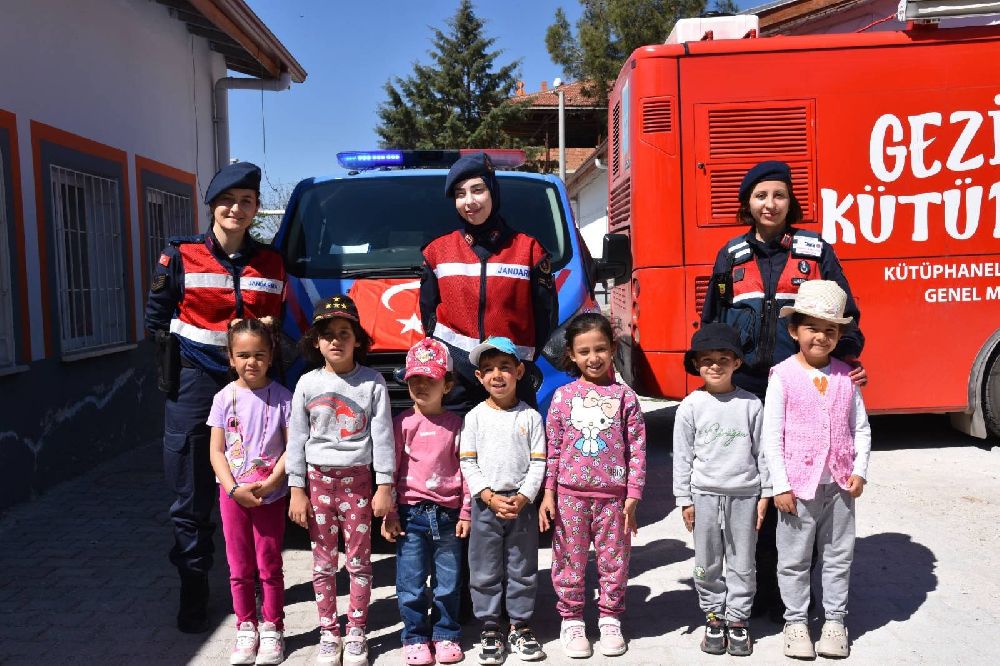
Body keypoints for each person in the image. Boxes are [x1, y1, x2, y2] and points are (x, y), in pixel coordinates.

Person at [700, 160, 867, 620]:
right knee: (749, 490)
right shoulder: (730, 256)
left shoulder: (816, 253)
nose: (769, 204)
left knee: (796, 492)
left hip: (800, 391)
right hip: (746, 389)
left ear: (790, 202)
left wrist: (845, 365)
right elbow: (713, 323)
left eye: (778, 195)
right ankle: (749, 587)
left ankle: (787, 596)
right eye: (760, 196)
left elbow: (846, 320)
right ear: (747, 204)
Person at [144, 161, 286, 633]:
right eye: (227, 201)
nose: (236, 209)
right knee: (191, 491)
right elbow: (156, 320)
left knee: (259, 479)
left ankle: (259, 583)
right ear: (211, 206)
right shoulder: (181, 255)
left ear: (255, 209)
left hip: (254, 386)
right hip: (195, 383)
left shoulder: (272, 262)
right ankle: (194, 588)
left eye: (246, 202)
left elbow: (277, 324)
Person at [761, 280, 871, 659]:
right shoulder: (782, 376)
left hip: (839, 487)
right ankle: (795, 622)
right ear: (794, 331)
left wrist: (860, 470)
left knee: (838, 556)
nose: (821, 337)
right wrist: (780, 485)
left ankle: (835, 621)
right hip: (797, 488)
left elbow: (860, 428)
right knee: (794, 559)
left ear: (839, 335)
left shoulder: (847, 376)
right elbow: (772, 436)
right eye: (812, 328)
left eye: (830, 330)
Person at [286, 294, 395, 666]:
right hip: (317, 483)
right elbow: (296, 439)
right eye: (327, 334)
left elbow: (383, 437)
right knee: (322, 563)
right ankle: (329, 632)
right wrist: (296, 489)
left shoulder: (372, 383)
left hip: (358, 483)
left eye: (344, 333)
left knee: (359, 562)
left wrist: (384, 486)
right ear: (315, 342)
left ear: (357, 339)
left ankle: (357, 631)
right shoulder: (306, 383)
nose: (336, 340)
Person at [539, 312, 646, 659]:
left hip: (614, 498)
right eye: (584, 351)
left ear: (612, 348)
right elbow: (553, 449)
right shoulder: (562, 397)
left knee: (614, 561)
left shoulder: (625, 398)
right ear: (571, 354)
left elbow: (637, 450)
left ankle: (610, 617)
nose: (593, 357)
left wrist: (633, 495)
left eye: (600, 349)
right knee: (569, 560)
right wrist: (549, 493)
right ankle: (571, 619)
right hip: (569, 496)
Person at [420, 152, 558, 414]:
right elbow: (429, 316)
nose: (469, 201)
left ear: (493, 191)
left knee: (517, 439)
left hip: (510, 376)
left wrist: (518, 362)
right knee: (456, 441)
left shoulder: (529, 250)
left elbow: (545, 316)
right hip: (457, 379)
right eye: (460, 194)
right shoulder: (437, 252)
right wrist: (451, 360)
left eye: (477, 190)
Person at [672, 323, 771, 657]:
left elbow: (763, 453)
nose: (715, 366)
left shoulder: (751, 404)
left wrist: (766, 494)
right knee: (707, 561)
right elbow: (682, 456)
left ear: (737, 362)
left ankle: (738, 618)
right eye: (706, 360)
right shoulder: (690, 406)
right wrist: (684, 499)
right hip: (703, 496)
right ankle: (713, 615)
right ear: (696, 364)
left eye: (723, 359)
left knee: (743, 561)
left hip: (745, 496)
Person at [381, 338, 471, 666]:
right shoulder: (402, 423)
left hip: (448, 515)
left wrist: (466, 512)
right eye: (414, 378)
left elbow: (467, 471)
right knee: (411, 583)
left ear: (447, 384)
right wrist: (390, 512)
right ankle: (416, 636)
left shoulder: (458, 426)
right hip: (410, 515)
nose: (421, 385)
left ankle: (446, 633)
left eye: (430, 379)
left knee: (448, 583)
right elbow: (390, 471)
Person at [207, 317, 291, 665]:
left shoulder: (283, 398)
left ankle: (273, 627)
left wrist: (272, 483)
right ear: (230, 358)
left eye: (259, 354)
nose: (251, 362)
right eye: (242, 355)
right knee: (239, 567)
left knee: (269, 564)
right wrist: (233, 489)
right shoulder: (223, 398)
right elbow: (216, 451)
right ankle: (245, 626)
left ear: (271, 356)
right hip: (234, 497)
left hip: (271, 496)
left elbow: (292, 448)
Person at [459, 337, 547, 665]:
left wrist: (524, 497)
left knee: (522, 566)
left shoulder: (530, 418)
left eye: (505, 367)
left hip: (521, 507)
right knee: (484, 567)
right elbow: (468, 461)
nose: (497, 375)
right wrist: (487, 495)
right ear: (479, 377)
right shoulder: (474, 418)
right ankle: (490, 626)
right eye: (488, 369)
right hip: (486, 505)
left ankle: (520, 624)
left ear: (519, 372)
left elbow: (539, 462)